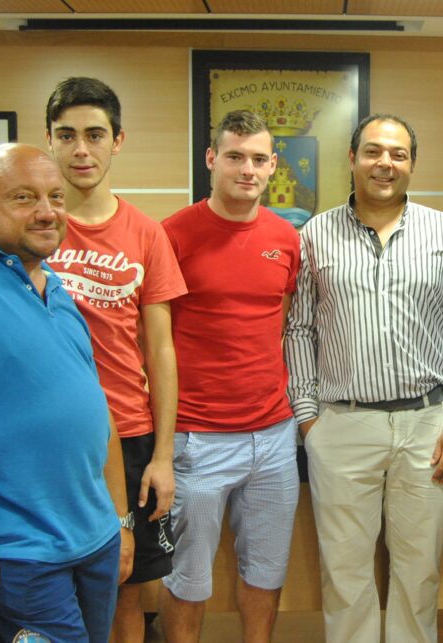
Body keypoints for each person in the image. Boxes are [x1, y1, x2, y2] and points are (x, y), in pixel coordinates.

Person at [0, 77, 187, 643]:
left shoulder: (53, 283)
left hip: (101, 494)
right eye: (26, 197)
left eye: (95, 135)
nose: (47, 210)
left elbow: (128, 377)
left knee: (122, 605)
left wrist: (129, 505)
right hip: (22, 529)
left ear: (116, 141)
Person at [284, 113, 443, 643]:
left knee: (418, 572)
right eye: (373, 151)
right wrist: (309, 419)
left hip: (428, 425)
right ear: (351, 159)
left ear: (412, 165)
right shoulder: (314, 236)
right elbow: (299, 328)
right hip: (341, 424)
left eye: (398, 154)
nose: (385, 163)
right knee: (345, 574)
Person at [158, 110, 301, 643]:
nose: (248, 169)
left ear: (272, 166)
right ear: (211, 159)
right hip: (196, 439)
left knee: (266, 571)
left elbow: (281, 323)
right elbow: (155, 338)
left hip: (273, 436)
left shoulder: (287, 238)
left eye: (259, 159)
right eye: (236, 156)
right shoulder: (172, 235)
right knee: (187, 579)